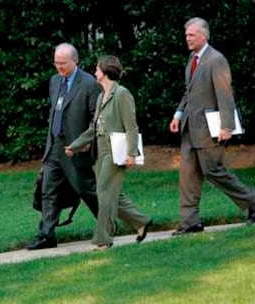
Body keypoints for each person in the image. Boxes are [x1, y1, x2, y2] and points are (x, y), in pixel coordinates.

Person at [169, 17, 255, 235]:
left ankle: (252, 202)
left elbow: (225, 94)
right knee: (187, 176)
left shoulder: (216, 59)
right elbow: (189, 92)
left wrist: (227, 126)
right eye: (186, 34)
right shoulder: (192, 59)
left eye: (191, 34)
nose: (187, 38)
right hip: (189, 128)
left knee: (214, 172)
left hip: (209, 130)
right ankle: (190, 223)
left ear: (203, 35)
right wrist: (178, 114)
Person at [65, 55, 152, 249]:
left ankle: (103, 240)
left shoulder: (122, 94)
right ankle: (142, 221)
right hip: (100, 152)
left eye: (97, 69)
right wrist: (75, 145)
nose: (95, 72)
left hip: (116, 152)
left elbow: (131, 127)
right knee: (112, 195)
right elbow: (94, 128)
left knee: (104, 194)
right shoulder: (100, 96)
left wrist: (131, 153)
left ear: (104, 72)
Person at [26, 43, 100, 250]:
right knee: (48, 191)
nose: (59, 67)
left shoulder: (88, 83)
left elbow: (97, 117)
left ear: (75, 61)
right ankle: (46, 235)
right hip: (55, 146)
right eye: (56, 63)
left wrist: (86, 142)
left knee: (87, 189)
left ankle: (106, 224)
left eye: (63, 63)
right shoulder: (54, 81)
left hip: (76, 147)